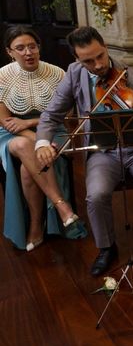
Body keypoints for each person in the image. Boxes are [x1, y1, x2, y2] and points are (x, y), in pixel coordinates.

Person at [35, 26, 133, 277]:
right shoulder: (74, 75)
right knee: (95, 196)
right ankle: (107, 247)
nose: (97, 65)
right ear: (77, 59)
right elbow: (51, 114)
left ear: (105, 47)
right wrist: (43, 142)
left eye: (99, 56)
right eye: (88, 60)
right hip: (101, 151)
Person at [0, 26, 86, 251]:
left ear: (39, 47)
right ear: (10, 52)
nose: (28, 52)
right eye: (20, 48)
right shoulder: (2, 76)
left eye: (32, 46)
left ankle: (36, 226)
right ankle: (62, 207)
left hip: (51, 129)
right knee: (21, 143)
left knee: (28, 168)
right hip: (11, 132)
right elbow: (5, 121)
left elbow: (66, 114)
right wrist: (37, 140)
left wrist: (33, 127)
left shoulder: (57, 73)